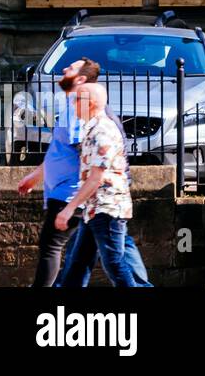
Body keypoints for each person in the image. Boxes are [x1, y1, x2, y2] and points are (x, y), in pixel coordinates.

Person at [55, 83, 148, 286]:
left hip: (107, 208)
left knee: (114, 264)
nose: (73, 104)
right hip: (95, 209)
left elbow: (96, 178)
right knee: (78, 264)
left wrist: (69, 209)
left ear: (92, 103)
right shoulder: (92, 129)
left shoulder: (102, 131)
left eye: (77, 99)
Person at [17, 59, 98, 286]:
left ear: (81, 79)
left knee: (51, 246)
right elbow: (60, 150)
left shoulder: (77, 106)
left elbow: (82, 147)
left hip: (69, 192)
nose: (64, 69)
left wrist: (80, 196)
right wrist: (36, 176)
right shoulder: (71, 103)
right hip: (64, 191)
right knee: (83, 254)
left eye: (70, 68)